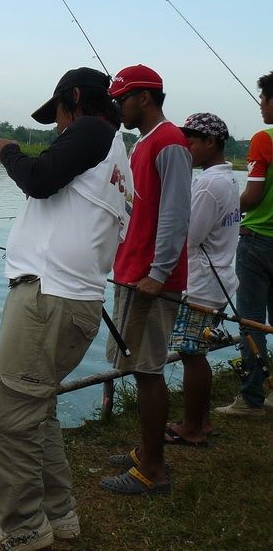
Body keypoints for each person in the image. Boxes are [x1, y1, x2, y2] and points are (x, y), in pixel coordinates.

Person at [0, 67, 133, 551]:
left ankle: (22, 529)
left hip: (47, 300)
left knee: (2, 420)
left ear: (74, 98)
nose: (59, 128)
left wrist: (8, 151)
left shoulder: (92, 129)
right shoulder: (120, 155)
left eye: (58, 115)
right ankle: (59, 515)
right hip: (71, 299)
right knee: (39, 412)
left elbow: (38, 178)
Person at [100, 64, 191, 496]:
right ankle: (144, 450)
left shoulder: (170, 143)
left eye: (123, 99)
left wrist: (158, 273)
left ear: (145, 98)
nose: (119, 106)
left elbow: (175, 215)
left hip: (152, 280)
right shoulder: (144, 144)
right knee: (138, 367)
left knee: (149, 370)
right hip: (134, 273)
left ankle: (153, 471)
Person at [165, 113, 239, 445]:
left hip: (201, 283)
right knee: (198, 353)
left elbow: (190, 236)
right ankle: (202, 422)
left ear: (210, 143)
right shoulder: (227, 179)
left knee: (191, 354)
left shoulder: (209, 184)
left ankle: (192, 428)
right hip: (215, 278)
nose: (187, 148)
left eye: (191, 142)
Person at [215, 71, 273, 416]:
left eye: (264, 99)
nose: (261, 107)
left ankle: (252, 398)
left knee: (251, 321)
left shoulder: (264, 138)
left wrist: (221, 209)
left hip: (257, 242)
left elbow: (251, 196)